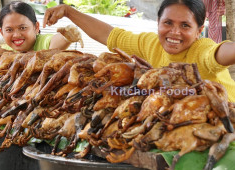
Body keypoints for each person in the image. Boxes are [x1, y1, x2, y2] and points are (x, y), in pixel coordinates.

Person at [43, 0, 235, 102]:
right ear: (158, 23)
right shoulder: (150, 44)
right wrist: (68, 11)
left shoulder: (202, 49)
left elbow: (219, 53)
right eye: (168, 23)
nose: (175, 32)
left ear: (199, 31)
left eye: (185, 25)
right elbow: (109, 35)